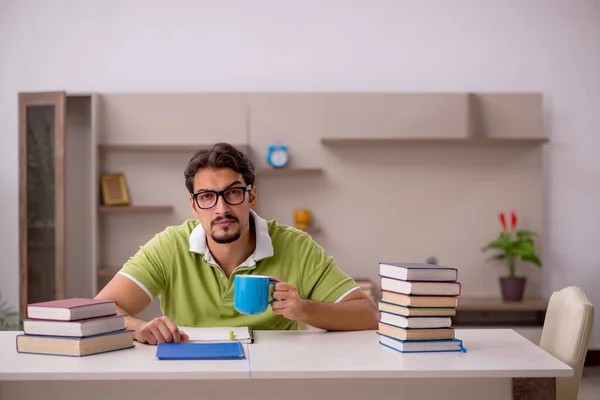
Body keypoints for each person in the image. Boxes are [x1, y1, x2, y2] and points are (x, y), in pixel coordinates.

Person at [95, 142, 378, 345]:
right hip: (190, 378)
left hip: (275, 380)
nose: (221, 209)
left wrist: (303, 309)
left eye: (232, 193)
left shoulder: (296, 246)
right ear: (193, 206)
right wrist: (139, 327)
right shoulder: (170, 246)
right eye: (207, 196)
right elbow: (100, 312)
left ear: (251, 196)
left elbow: (367, 315)